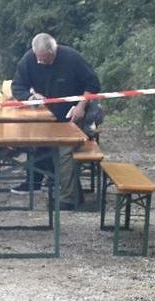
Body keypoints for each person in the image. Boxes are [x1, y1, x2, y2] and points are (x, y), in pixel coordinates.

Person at [9, 33, 101, 209]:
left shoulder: (72, 58)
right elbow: (17, 86)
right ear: (35, 53)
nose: (44, 62)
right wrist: (31, 96)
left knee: (65, 148)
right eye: (40, 60)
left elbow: (93, 85)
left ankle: (68, 199)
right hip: (44, 116)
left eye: (48, 59)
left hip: (74, 115)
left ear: (54, 51)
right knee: (32, 141)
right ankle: (36, 179)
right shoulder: (28, 60)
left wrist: (81, 106)